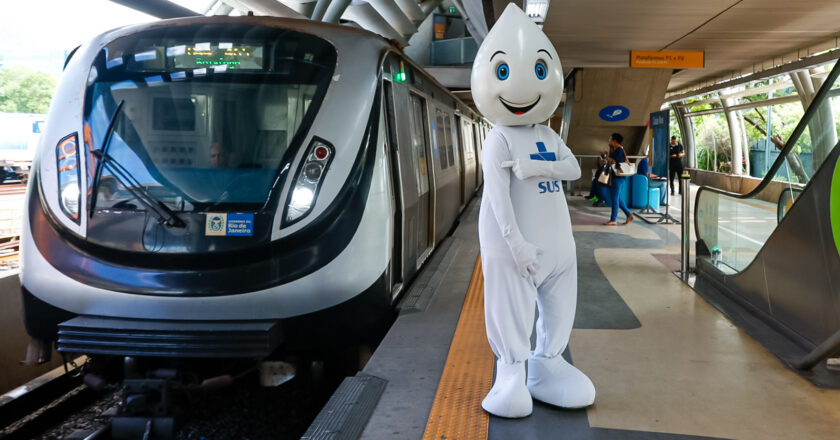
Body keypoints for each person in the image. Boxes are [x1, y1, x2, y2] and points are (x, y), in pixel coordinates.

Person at [470, 3, 595, 419]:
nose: (522, 88)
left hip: (559, 249)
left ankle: (549, 363)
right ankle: (511, 372)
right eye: (501, 74)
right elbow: (497, 197)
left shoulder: (547, 134)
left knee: (560, 305)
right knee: (511, 308)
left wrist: (535, 168)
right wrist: (515, 242)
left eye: (539, 73)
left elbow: (573, 168)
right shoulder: (498, 140)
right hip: (515, 249)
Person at [604, 133, 633, 226]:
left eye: (610, 139)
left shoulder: (619, 150)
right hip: (616, 176)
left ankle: (613, 219)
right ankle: (629, 215)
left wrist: (608, 158)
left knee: (615, 198)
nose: (609, 141)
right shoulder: (616, 150)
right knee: (617, 197)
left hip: (618, 177)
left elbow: (616, 163)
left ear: (615, 141)